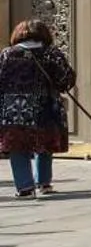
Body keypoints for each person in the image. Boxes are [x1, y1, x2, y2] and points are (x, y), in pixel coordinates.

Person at [0, 20, 74, 198]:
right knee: (45, 143)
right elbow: (66, 79)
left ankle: (25, 188)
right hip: (45, 106)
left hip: (14, 108)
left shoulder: (7, 54)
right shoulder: (51, 53)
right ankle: (44, 183)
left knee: (17, 146)